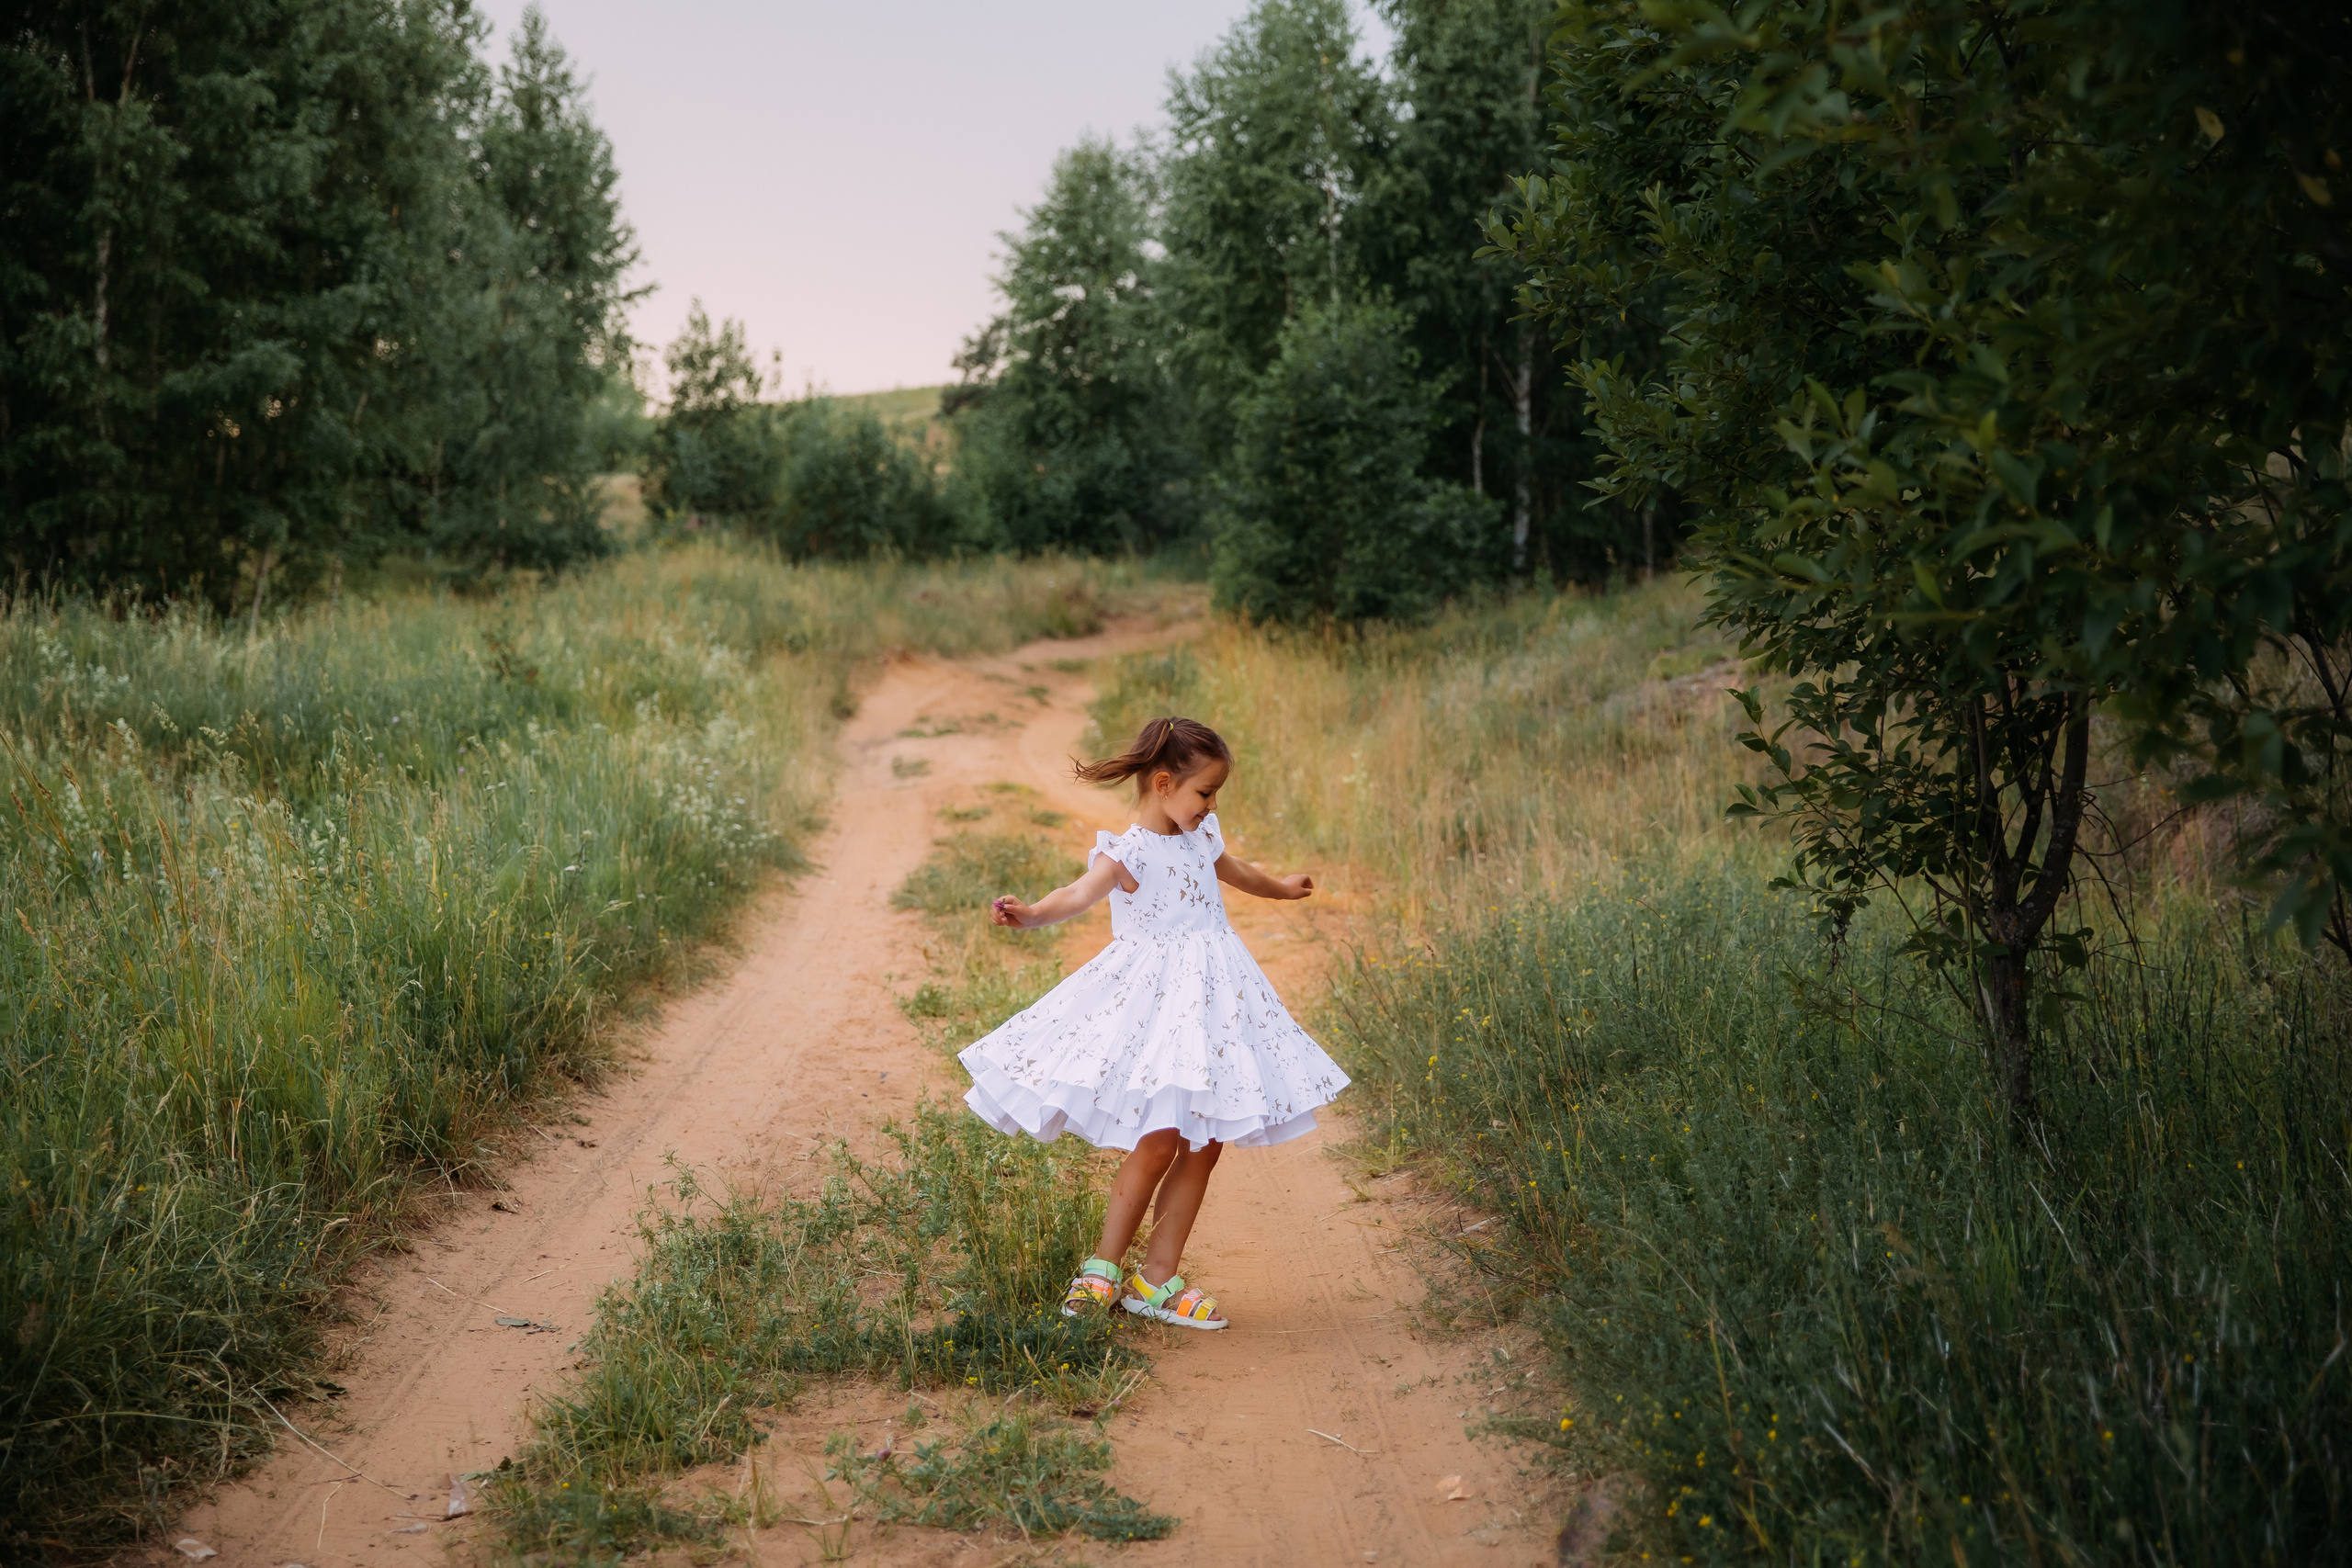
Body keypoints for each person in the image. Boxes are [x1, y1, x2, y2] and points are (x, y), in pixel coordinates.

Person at [958, 716, 1349, 1330]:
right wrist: (1029, 913)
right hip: (1160, 1011)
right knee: (1161, 1136)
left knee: (1206, 1140)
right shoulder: (1129, 850)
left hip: (1217, 1005)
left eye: (1215, 793)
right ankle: (1101, 1270)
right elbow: (1076, 893)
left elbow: (1239, 872)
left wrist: (1282, 886)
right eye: (1205, 792)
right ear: (1164, 783)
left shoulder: (1203, 835)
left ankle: (1156, 1279)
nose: (1211, 804)